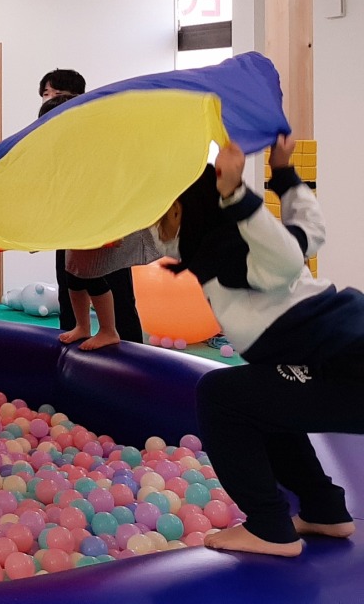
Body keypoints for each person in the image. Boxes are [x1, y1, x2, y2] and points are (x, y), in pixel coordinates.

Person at [154, 136, 360, 556]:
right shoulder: (243, 243)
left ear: (179, 211)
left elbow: (286, 260)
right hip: (342, 360)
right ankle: (323, 509)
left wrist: (236, 193)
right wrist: (283, 173)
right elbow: (310, 231)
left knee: (220, 396)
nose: (156, 232)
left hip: (349, 368)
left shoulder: (229, 252)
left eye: (159, 219)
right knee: (261, 397)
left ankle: (269, 527)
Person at [39, 92, 156, 349]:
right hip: (77, 230)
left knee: (95, 278)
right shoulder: (63, 157)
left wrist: (113, 228)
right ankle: (82, 326)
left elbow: (113, 189)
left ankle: (108, 330)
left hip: (100, 230)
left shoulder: (93, 154)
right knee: (73, 278)